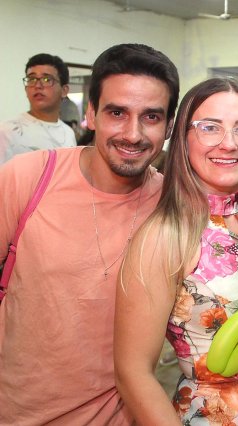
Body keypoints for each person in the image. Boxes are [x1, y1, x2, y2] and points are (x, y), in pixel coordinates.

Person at [0, 43, 179, 424]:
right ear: (92, 114)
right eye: (117, 112)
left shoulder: (174, 207)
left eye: (151, 116)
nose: (133, 134)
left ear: (168, 126)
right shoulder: (28, 177)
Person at [114, 77, 238, 424]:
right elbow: (133, 373)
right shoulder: (166, 235)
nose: (229, 144)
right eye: (210, 127)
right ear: (183, 138)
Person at [0, 53, 77, 164]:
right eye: (31, 79)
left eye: (47, 79)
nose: (37, 86)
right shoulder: (7, 131)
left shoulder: (68, 133)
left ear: (64, 90)